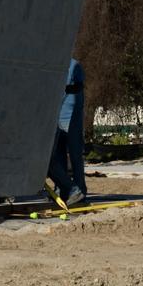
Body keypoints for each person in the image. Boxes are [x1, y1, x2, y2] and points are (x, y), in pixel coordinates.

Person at [47, 58, 86, 206]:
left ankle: (79, 189)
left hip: (69, 110)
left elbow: (75, 89)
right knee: (57, 151)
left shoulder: (73, 65)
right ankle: (63, 189)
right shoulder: (57, 63)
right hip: (58, 109)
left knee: (74, 152)